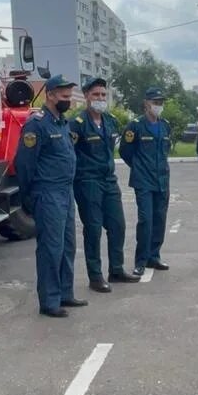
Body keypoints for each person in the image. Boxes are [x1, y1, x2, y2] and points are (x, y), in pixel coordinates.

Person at [16, 75, 88, 318]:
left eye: (69, 96)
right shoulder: (36, 125)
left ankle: (65, 293)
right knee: (51, 248)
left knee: (68, 246)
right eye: (64, 96)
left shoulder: (62, 122)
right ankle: (49, 301)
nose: (68, 100)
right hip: (47, 193)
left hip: (66, 192)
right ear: (50, 95)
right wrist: (30, 197)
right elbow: (25, 165)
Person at [69, 76, 140, 293]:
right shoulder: (77, 124)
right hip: (87, 182)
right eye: (95, 95)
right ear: (87, 97)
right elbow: (70, 155)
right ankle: (96, 275)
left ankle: (116, 269)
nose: (100, 98)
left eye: (103, 95)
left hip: (109, 181)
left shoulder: (110, 121)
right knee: (93, 229)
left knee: (117, 225)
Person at [120, 88, 172, 277]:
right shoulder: (135, 126)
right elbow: (125, 151)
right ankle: (140, 261)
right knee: (146, 220)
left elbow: (167, 149)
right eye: (155, 102)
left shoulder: (165, 125)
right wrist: (139, 167)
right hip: (144, 181)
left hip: (162, 180)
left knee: (160, 219)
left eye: (161, 103)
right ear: (146, 104)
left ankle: (154, 256)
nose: (159, 106)